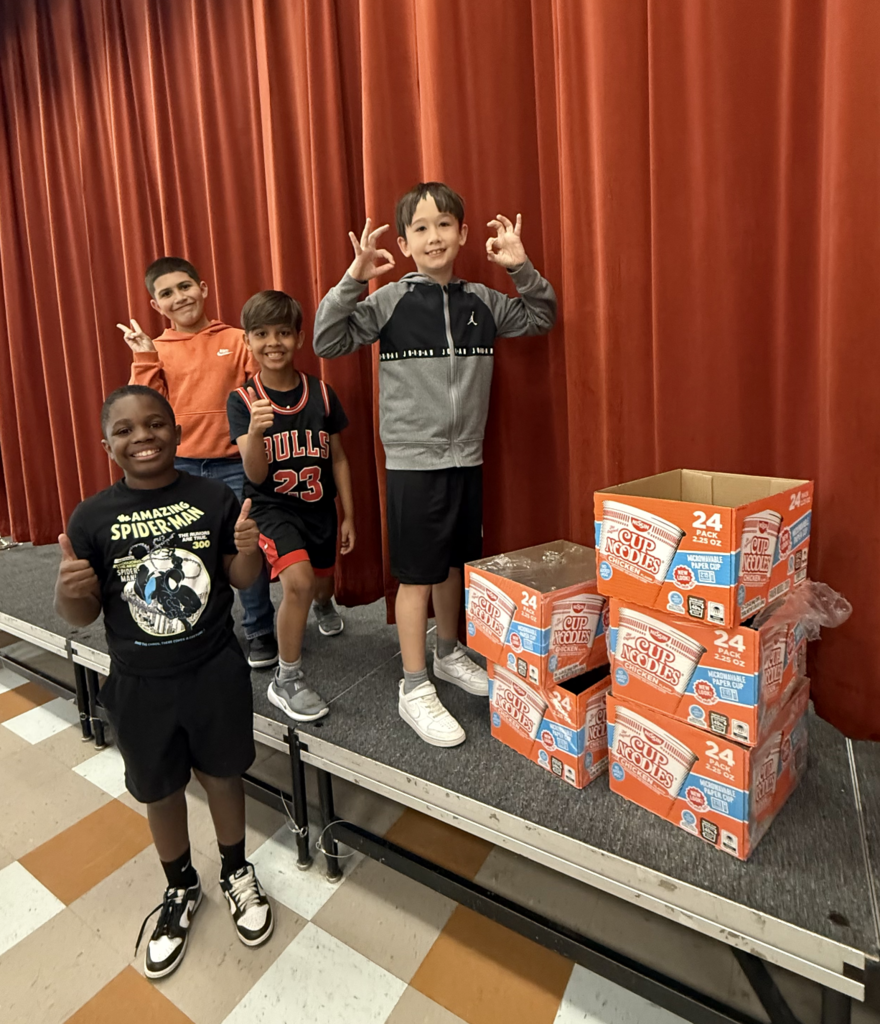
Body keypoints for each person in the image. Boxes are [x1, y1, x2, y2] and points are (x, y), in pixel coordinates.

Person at [313, 182, 557, 746]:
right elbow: (327, 340)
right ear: (402, 243)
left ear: (464, 235)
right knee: (418, 573)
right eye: (420, 229)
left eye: (443, 225)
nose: (433, 237)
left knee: (454, 565)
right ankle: (413, 684)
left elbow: (540, 317)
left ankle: (449, 653)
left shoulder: (484, 301)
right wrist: (354, 279)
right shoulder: (389, 301)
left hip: (465, 455)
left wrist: (520, 268)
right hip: (413, 461)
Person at [54, 384, 274, 979]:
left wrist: (249, 550)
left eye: (155, 424)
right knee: (159, 790)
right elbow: (83, 614)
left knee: (224, 775)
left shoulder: (211, 497)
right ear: (107, 446)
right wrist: (67, 590)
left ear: (178, 433)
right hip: (139, 682)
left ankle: (236, 871)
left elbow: (243, 576)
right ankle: (181, 887)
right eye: (125, 430)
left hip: (213, 672)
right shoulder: (92, 517)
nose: (142, 436)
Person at [117, 257, 278, 669]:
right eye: (167, 293)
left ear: (203, 288)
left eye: (185, 287)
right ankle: (211, 627)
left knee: (246, 548)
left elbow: (261, 388)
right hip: (184, 467)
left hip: (235, 463)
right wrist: (143, 356)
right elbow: (143, 407)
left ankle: (260, 630)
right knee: (193, 554)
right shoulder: (157, 349)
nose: (179, 297)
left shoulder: (237, 338)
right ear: (157, 306)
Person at [227, 290, 355, 723]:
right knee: (297, 583)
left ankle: (324, 603)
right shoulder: (243, 401)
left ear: (300, 338)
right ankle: (286, 678)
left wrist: (350, 514)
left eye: (283, 332)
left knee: (320, 583)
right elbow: (256, 475)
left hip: (319, 507)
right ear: (248, 341)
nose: (273, 342)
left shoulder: (320, 393)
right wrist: (259, 435)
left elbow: (337, 457)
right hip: (271, 507)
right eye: (261, 333)